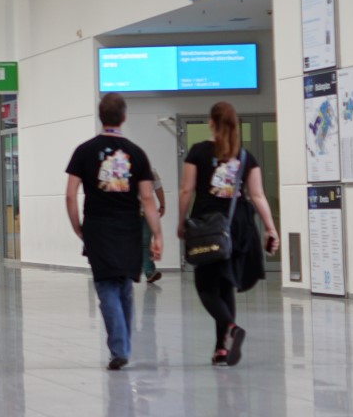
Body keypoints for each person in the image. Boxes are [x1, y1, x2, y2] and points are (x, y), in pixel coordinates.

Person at [65, 94, 164, 371]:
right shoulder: (137, 153)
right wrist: (157, 234)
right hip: (129, 227)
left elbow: (71, 195)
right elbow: (147, 198)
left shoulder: (84, 151)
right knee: (124, 286)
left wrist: (77, 226)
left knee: (106, 285)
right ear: (124, 117)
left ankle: (119, 348)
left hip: (97, 227)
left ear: (100, 116)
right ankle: (122, 346)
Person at [180, 101, 280, 367]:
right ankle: (221, 349)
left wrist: (181, 222)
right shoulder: (245, 157)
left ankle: (230, 328)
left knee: (205, 286)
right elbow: (257, 195)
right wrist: (270, 228)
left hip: (208, 227)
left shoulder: (198, 152)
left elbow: (186, 190)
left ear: (211, 123)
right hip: (239, 227)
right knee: (225, 286)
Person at [144, 172, 168, 284]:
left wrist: (162, 205)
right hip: (128, 212)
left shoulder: (150, 171)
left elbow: (158, 188)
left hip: (145, 212)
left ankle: (149, 272)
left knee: (145, 241)